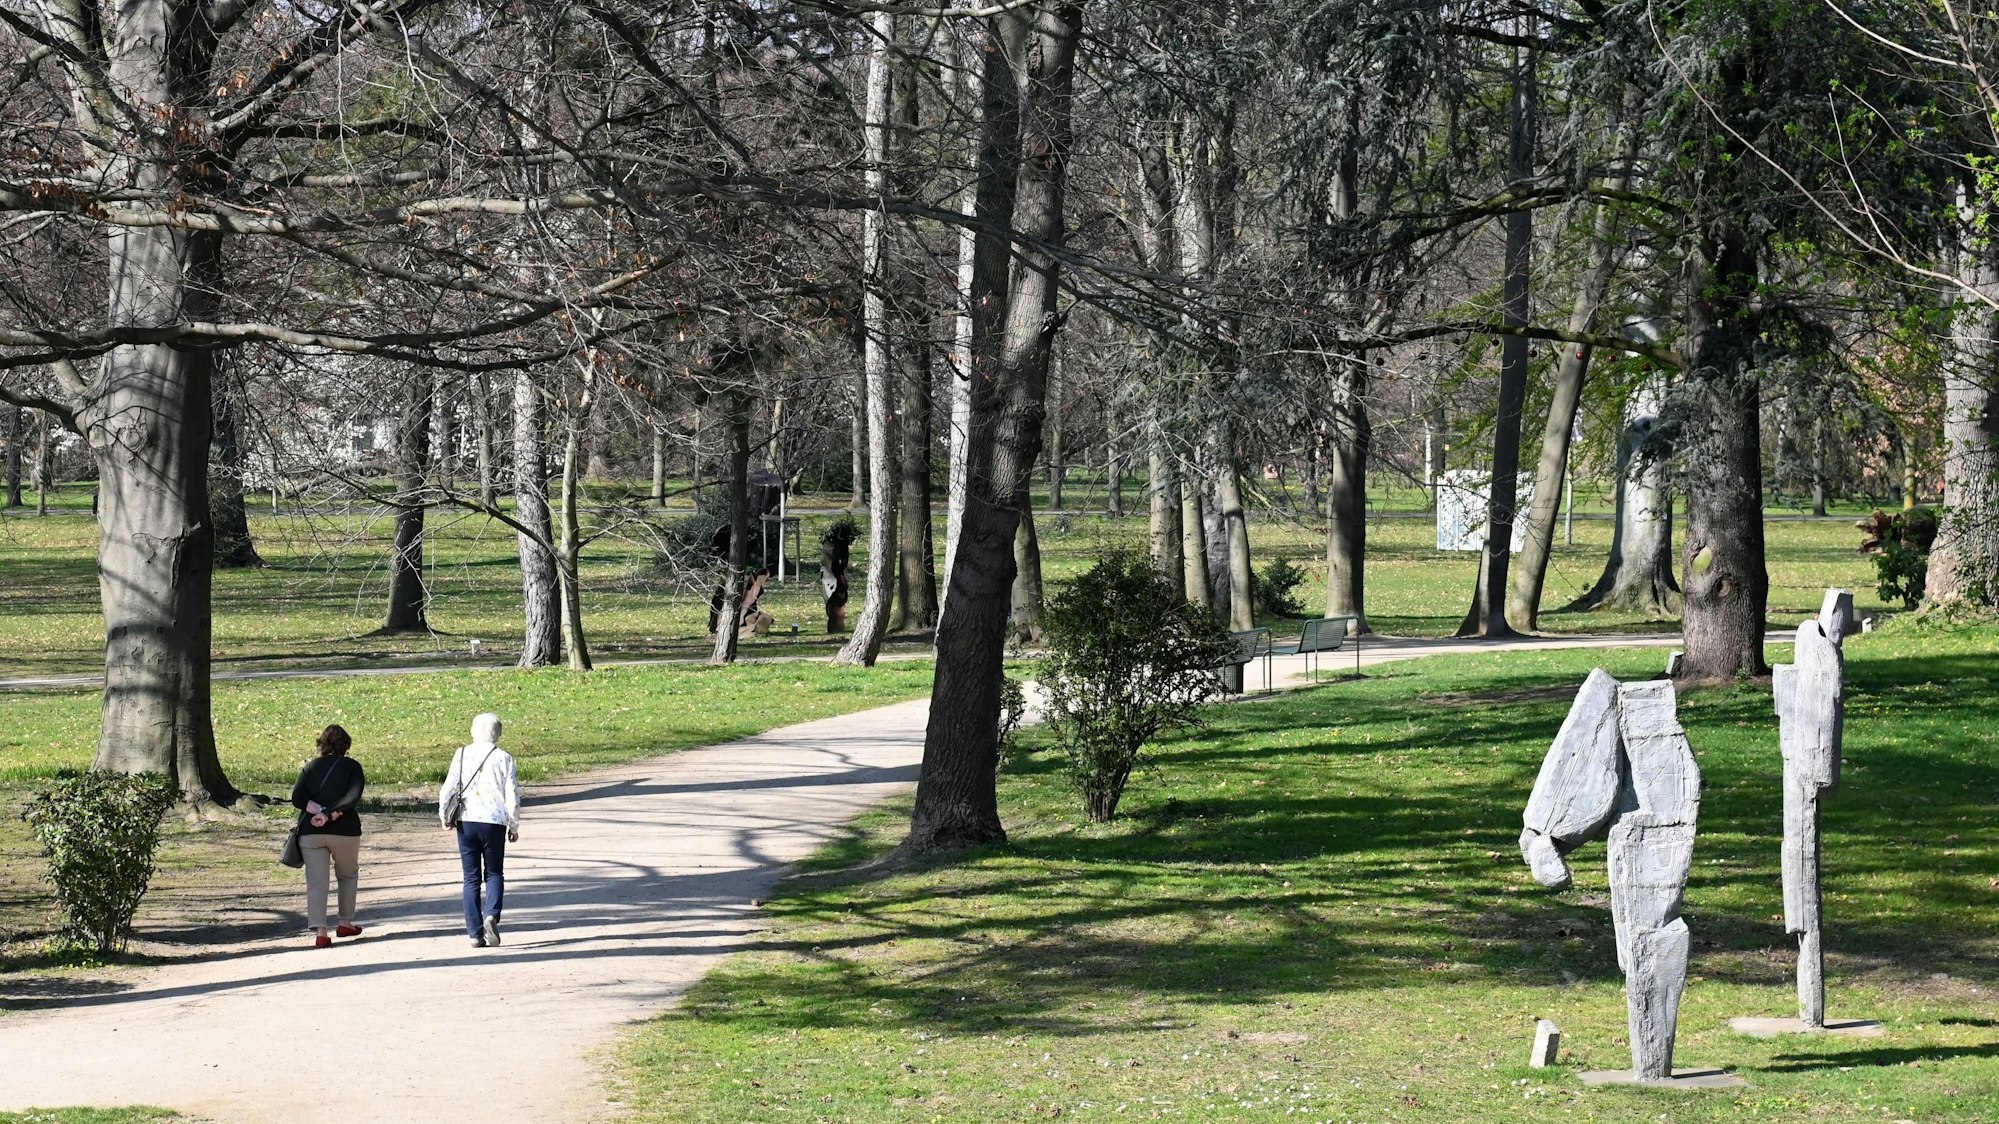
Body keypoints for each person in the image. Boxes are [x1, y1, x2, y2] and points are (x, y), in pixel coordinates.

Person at [439, 712, 521, 948]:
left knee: (470, 878)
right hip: (495, 822)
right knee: (494, 873)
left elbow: (448, 789)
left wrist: (445, 816)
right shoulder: (504, 758)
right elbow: (512, 796)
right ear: (498, 733)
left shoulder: (461, 754)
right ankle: (492, 915)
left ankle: (475, 933)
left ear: (474, 731)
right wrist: (513, 825)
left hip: (467, 820)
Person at [291, 724, 366, 949]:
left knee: (317, 882)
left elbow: (297, 798)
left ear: (321, 744)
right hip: (345, 831)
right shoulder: (352, 767)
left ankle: (321, 931)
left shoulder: (310, 767)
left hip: (311, 832)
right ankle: (345, 922)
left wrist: (317, 810)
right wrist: (330, 813)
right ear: (346, 745)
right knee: (348, 875)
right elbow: (353, 796)